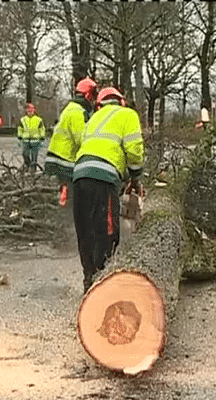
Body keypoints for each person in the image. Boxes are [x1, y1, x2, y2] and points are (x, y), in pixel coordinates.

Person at [72, 86, 145, 292]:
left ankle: (89, 279)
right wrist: (135, 176)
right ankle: (105, 284)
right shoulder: (127, 114)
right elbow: (134, 149)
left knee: (86, 231)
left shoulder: (93, 119)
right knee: (107, 231)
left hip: (79, 176)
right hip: (103, 177)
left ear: (100, 104)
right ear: (121, 101)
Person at [44, 78, 97, 206]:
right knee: (72, 191)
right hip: (65, 159)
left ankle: (63, 209)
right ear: (88, 95)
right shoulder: (78, 112)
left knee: (66, 189)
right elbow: (81, 139)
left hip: (57, 156)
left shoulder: (71, 108)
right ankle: (67, 215)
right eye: (93, 96)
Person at [17, 103, 46, 174]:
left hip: (35, 139)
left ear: (34, 111)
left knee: (34, 156)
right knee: (25, 154)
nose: (30, 111)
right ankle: (28, 165)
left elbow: (41, 128)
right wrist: (20, 135)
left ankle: (33, 171)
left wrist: (42, 136)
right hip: (26, 139)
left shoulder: (38, 119)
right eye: (28, 110)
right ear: (26, 111)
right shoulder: (23, 119)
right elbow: (20, 128)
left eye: (31, 110)